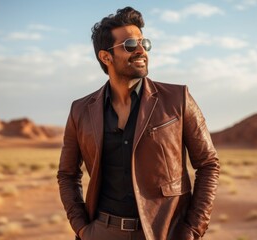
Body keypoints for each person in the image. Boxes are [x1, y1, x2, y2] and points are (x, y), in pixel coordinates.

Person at [57, 6, 220, 240]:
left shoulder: (177, 99)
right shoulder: (81, 110)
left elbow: (209, 164)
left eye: (145, 44)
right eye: (130, 45)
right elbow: (67, 174)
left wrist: (193, 230)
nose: (142, 51)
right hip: (102, 231)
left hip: (163, 232)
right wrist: (82, 228)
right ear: (106, 57)